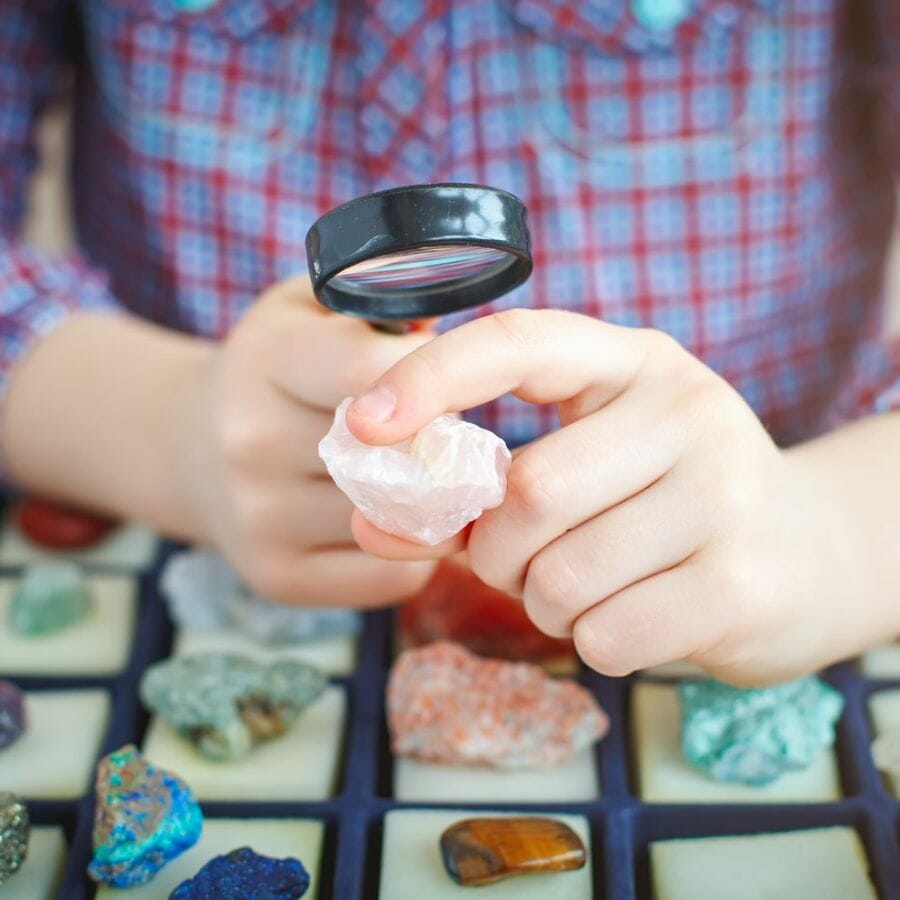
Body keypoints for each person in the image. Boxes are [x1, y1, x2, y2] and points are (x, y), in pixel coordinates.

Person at [1, 0, 899, 685]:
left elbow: (843, 533)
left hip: (769, 568)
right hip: (186, 570)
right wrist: (157, 423)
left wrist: (842, 528)